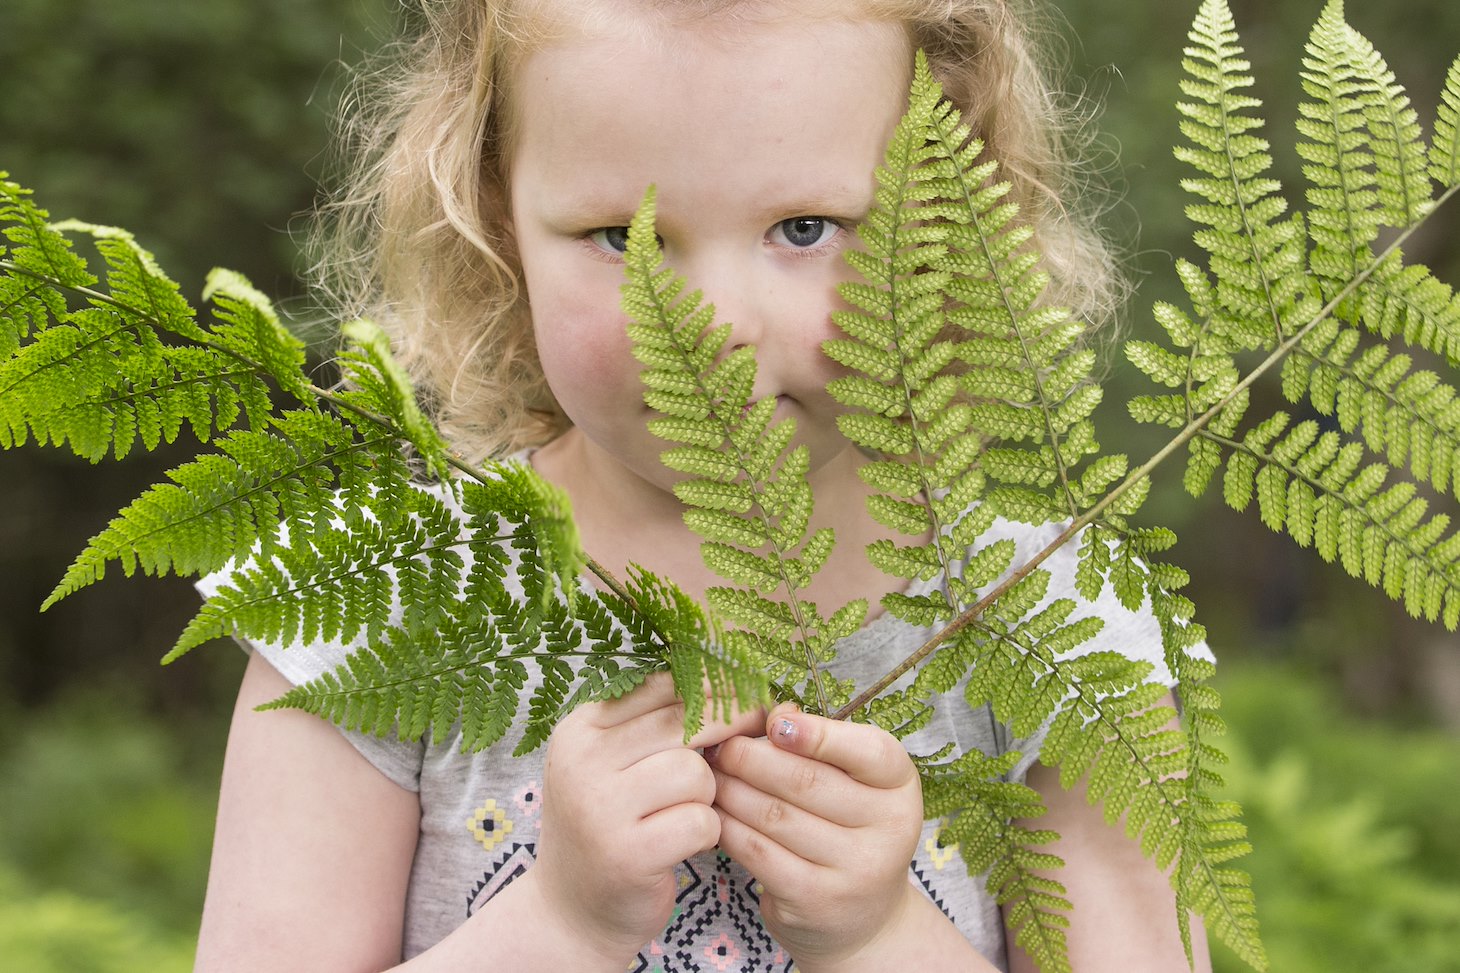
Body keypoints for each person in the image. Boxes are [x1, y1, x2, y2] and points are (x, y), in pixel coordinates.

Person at [194, 1, 1214, 970]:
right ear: (495, 218)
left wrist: (876, 937)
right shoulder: (373, 595)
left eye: (805, 227)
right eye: (619, 239)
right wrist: (557, 926)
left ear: (949, 212)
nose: (715, 324)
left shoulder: (1056, 612)